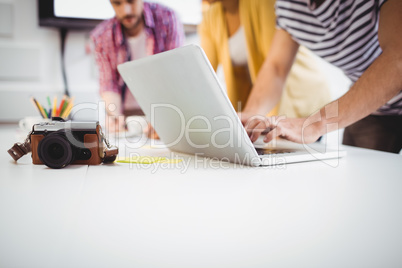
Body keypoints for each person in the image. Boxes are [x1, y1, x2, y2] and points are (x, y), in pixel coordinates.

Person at [242, 0, 402, 153]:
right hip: (370, 108)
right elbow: (276, 68)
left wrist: (315, 124)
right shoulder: (288, 7)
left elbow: (398, 57)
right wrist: (250, 116)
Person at [198, 0, 331, 119]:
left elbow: (275, 69)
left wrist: (261, 119)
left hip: (300, 99)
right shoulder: (209, 19)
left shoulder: (265, 2)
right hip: (265, 103)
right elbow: (204, 75)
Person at [91, 0, 184, 133]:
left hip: (165, 108)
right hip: (127, 116)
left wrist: (165, 117)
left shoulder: (168, 18)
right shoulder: (101, 35)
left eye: (131, 1)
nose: (126, 11)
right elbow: (109, 83)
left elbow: (174, 73)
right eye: (117, 3)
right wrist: (114, 115)